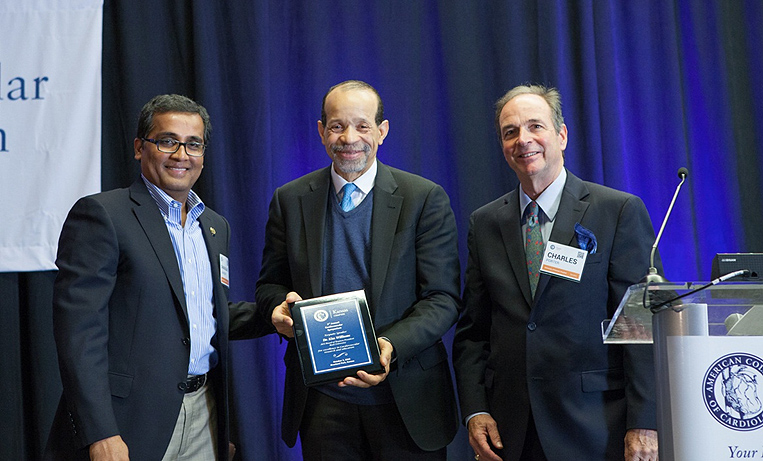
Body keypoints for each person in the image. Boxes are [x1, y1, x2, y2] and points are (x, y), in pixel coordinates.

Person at [45, 94, 272, 460]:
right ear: (140, 147)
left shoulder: (214, 226)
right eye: (168, 141)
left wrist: (272, 316)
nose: (181, 154)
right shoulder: (102, 215)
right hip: (128, 422)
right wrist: (100, 432)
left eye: (193, 144)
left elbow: (204, 316)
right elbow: (79, 334)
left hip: (205, 414)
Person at [451, 84, 660, 461]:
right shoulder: (485, 223)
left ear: (561, 135)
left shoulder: (617, 211)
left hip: (596, 427)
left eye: (535, 126)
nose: (523, 140)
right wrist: (476, 409)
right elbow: (473, 332)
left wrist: (644, 421)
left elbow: (641, 325)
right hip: (512, 432)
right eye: (510, 132)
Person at [255, 80, 462, 460]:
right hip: (322, 402)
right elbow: (270, 284)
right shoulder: (290, 200)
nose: (349, 138)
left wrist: (391, 346)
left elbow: (442, 298)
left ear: (382, 131)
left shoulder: (423, 199)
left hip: (407, 397)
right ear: (322, 131)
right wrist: (277, 309)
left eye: (362, 126)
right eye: (337, 126)